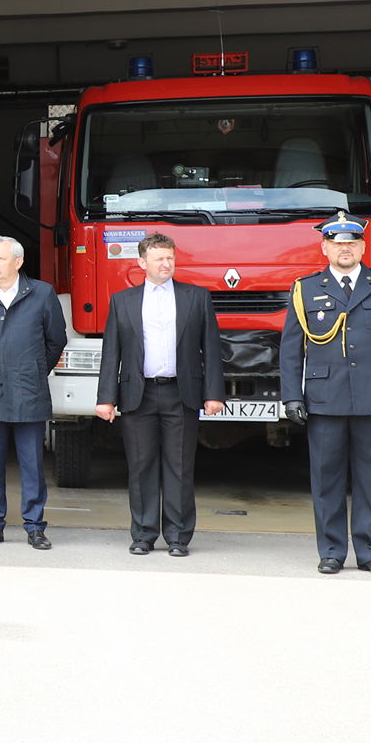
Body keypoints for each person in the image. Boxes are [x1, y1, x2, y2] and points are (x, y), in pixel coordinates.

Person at [279, 215, 371, 577]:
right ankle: (331, 551)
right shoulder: (305, 289)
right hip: (325, 397)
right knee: (326, 477)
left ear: (362, 247)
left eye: (352, 243)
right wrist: (291, 395)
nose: (345, 249)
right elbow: (291, 349)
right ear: (325, 248)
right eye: (337, 243)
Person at [94, 233, 223, 557]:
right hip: (138, 395)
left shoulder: (196, 297)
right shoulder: (122, 301)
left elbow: (211, 347)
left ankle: (178, 537)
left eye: (170, 258)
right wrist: (106, 398)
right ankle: (143, 535)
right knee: (141, 467)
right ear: (142, 263)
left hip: (182, 393)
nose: (166, 264)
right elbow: (112, 352)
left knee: (180, 467)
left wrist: (214, 394)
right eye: (159, 259)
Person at [0, 234, 66, 550]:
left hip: (28, 391)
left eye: (0, 258)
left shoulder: (42, 293)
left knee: (32, 464)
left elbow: (56, 340)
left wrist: (34, 369)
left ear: (18, 262)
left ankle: (34, 527)